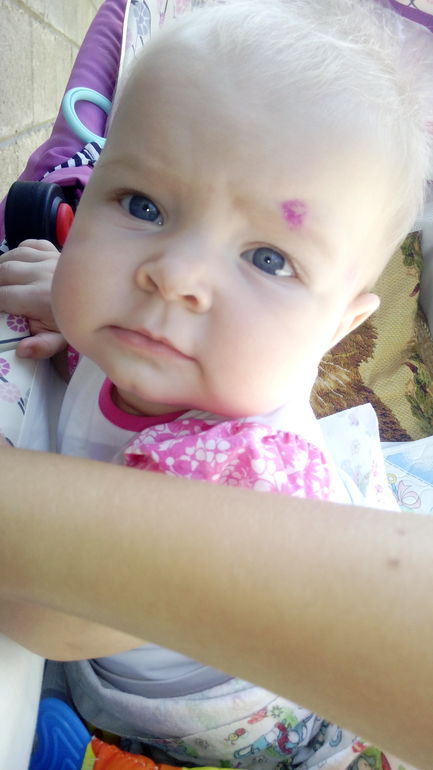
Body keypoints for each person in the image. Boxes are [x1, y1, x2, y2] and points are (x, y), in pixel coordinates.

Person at [1, 0, 433, 767]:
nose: (173, 275)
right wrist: (77, 306)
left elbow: (43, 620)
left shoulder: (244, 476)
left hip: (256, 729)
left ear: (337, 326)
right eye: (143, 206)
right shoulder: (167, 335)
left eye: (267, 259)